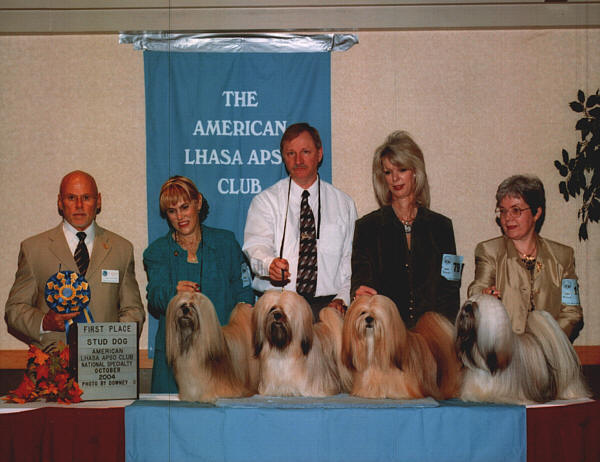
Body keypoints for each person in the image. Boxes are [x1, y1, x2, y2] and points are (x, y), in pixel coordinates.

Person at [5, 170, 145, 350]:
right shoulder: (33, 249)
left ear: (98, 201)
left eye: (86, 197)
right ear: (60, 202)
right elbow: (14, 309)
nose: (79, 205)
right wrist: (44, 322)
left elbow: (133, 310)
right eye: (71, 198)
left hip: (105, 366)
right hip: (52, 367)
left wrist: (113, 341)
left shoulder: (122, 249)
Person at [144, 175, 254, 393]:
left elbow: (244, 290)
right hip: (176, 359)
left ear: (198, 202)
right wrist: (172, 292)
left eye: (185, 207)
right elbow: (154, 296)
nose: (180, 217)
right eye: (172, 211)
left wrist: (241, 330)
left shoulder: (226, 242)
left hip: (222, 355)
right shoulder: (156, 252)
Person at [243, 122, 357, 319]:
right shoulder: (265, 201)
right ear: (284, 158)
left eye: (305, 151)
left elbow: (350, 259)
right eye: (290, 153)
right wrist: (269, 265)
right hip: (278, 306)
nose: (298, 160)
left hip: (327, 309)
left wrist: (342, 298)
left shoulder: (344, 204)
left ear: (319, 154)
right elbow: (255, 247)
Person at [351, 131, 460, 328]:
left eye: (401, 169)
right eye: (387, 172)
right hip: (386, 336)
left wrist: (441, 332)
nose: (395, 178)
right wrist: (359, 294)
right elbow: (361, 283)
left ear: (416, 171)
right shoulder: (366, 227)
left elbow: (452, 288)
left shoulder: (444, 227)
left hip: (434, 338)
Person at [468, 174, 583, 341]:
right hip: (504, 353)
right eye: (503, 211)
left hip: (551, 354)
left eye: (516, 210)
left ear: (536, 213)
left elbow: (572, 312)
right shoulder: (488, 251)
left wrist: (549, 344)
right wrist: (483, 297)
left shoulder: (563, 256)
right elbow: (477, 289)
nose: (507, 218)